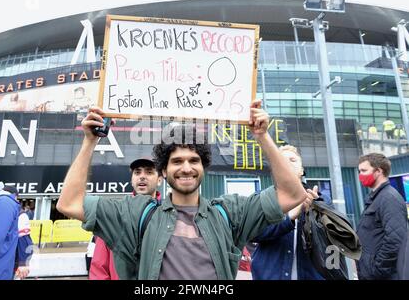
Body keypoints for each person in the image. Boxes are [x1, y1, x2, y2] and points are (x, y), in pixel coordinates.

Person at [57, 100, 312, 280]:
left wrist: (263, 137)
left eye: (194, 160)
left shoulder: (230, 213)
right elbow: (69, 203)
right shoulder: (136, 214)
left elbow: (292, 194)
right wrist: (90, 141)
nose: (186, 168)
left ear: (204, 167)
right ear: (164, 172)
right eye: (177, 161)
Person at [250, 145, 322, 280]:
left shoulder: (321, 200)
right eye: (282, 161)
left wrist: (317, 211)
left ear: (301, 170)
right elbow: (253, 233)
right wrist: (288, 218)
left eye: (293, 160)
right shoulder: (260, 200)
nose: (288, 163)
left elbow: (332, 241)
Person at [88, 157, 163, 280]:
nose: (142, 176)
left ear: (159, 180)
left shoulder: (169, 214)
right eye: (137, 172)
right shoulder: (114, 212)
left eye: (149, 172)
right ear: (132, 180)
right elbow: (99, 269)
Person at [356, 153, 408, 280]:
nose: (360, 175)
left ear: (378, 171)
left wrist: (377, 269)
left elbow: (396, 239)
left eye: (364, 171)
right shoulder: (377, 198)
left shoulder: (389, 198)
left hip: (381, 275)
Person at [3, 185, 34, 280]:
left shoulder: (21, 215)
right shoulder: (0, 211)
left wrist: (23, 263)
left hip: (11, 262)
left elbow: (24, 239)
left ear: (15, 197)